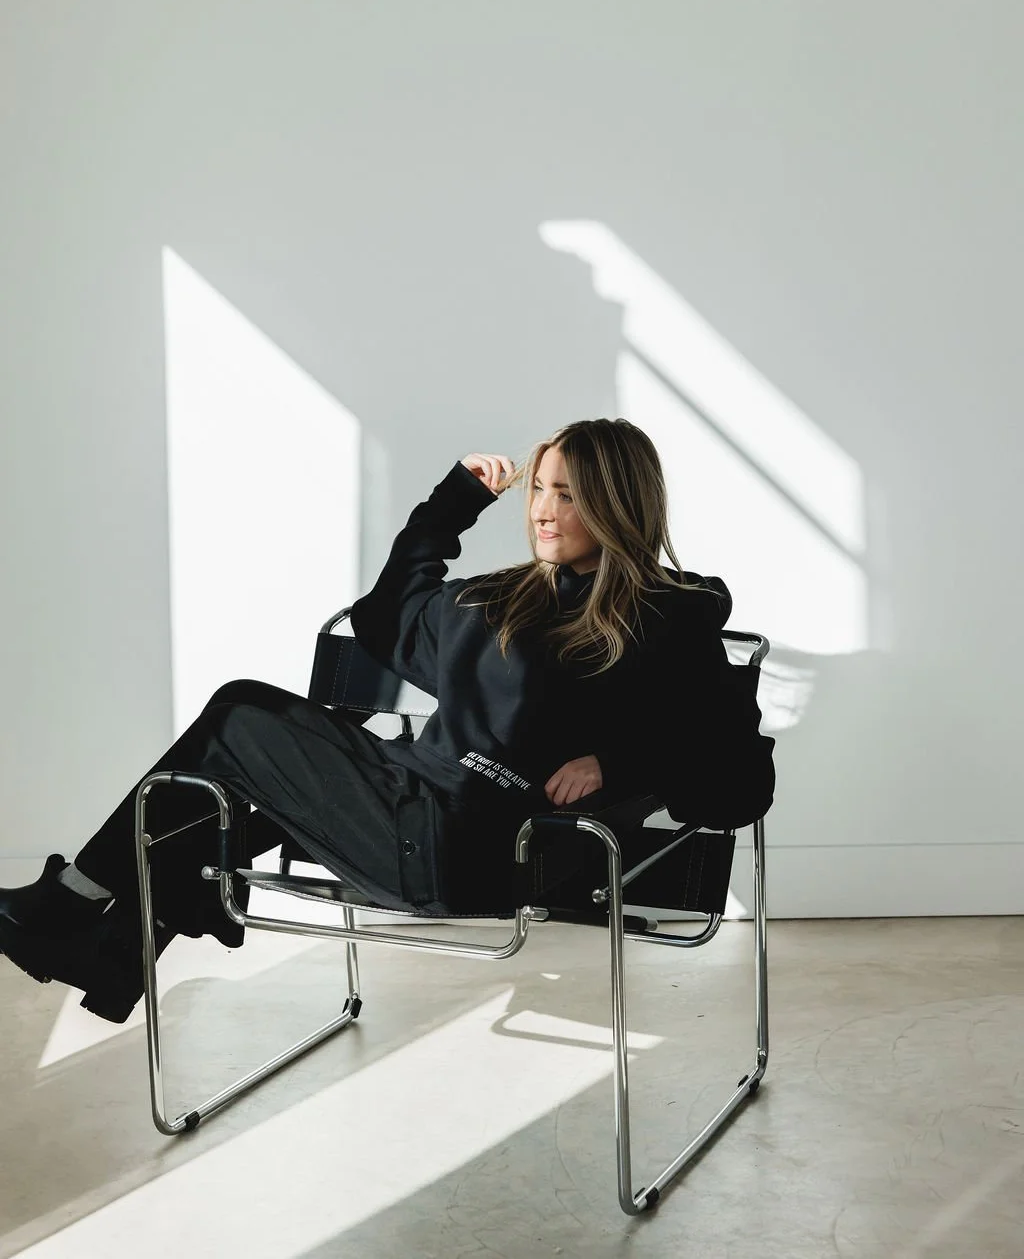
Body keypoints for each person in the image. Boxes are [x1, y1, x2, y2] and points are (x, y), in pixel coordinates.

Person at [0, 418, 773, 1025]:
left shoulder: (667, 619)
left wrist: (619, 763)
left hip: (472, 847)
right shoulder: (502, 600)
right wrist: (453, 503)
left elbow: (740, 779)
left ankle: (85, 913)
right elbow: (383, 618)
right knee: (225, 772)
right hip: (406, 804)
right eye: (539, 487)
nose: (542, 508)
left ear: (617, 503)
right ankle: (113, 941)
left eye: (568, 494)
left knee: (236, 715)